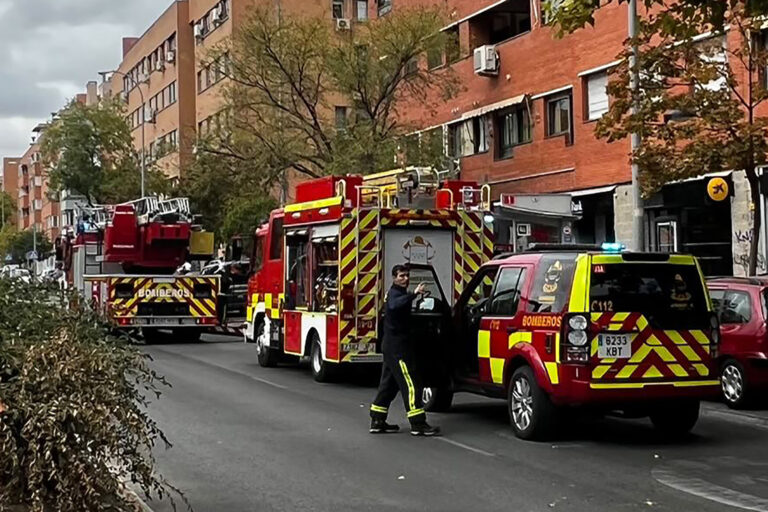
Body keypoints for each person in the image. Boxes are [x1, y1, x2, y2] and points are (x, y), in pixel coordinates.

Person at [369, 264, 441, 436]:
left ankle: (377, 420)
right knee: (411, 383)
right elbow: (395, 306)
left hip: (392, 346)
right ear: (394, 278)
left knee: (388, 385)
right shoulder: (395, 294)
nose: (405, 279)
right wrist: (414, 294)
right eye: (401, 276)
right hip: (398, 348)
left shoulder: (399, 294)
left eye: (407, 275)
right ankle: (418, 423)